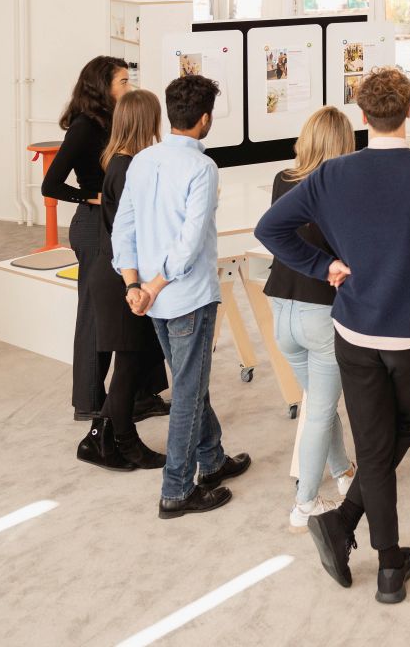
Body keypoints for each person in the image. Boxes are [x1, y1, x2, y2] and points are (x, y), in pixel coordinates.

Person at [255, 66, 410, 605]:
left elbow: (270, 229)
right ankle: (381, 555)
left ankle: (371, 550)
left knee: (374, 446)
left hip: (353, 332)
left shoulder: (332, 175)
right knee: (398, 433)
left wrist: (324, 264)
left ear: (362, 116)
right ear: (409, 112)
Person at [112, 74, 251, 519]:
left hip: (153, 300)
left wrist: (135, 284)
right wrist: (152, 284)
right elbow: (190, 243)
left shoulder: (142, 160)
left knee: (190, 380)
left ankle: (211, 462)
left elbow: (124, 228)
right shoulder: (201, 168)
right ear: (205, 119)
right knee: (188, 391)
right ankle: (176, 490)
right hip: (186, 295)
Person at [46, 56, 169, 423]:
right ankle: (88, 402)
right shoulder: (85, 127)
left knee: (133, 312)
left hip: (116, 223)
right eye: (122, 82)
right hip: (94, 226)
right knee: (96, 317)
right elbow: (50, 184)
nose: (128, 87)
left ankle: (141, 395)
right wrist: (90, 195)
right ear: (103, 87)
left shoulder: (117, 121)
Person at [264, 107, 358, 531]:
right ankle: (304, 505)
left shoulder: (282, 181)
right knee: (321, 409)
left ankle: (342, 472)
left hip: (280, 311)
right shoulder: (342, 190)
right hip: (320, 315)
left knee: (319, 402)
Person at [76, 90, 169, 472]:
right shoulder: (128, 167)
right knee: (131, 362)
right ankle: (116, 440)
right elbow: (130, 230)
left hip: (114, 272)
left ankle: (100, 437)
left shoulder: (120, 162)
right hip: (118, 277)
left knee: (134, 360)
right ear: (147, 122)